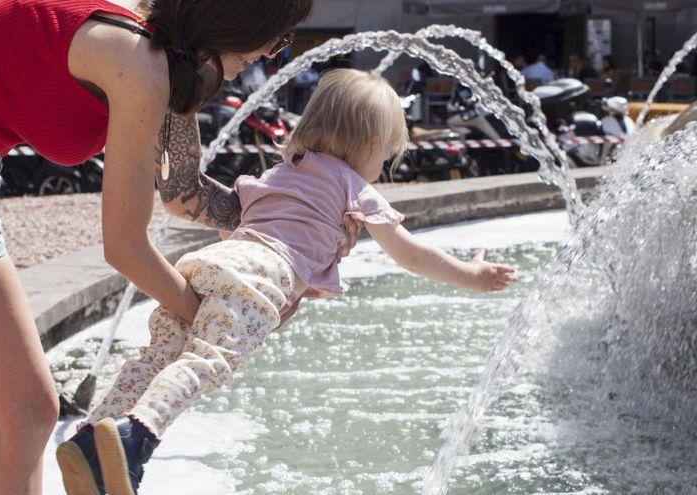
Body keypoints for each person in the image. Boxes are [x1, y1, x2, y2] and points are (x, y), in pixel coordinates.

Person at [0, 0, 324, 493]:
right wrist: (216, 318)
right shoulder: (136, 57)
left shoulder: (163, 53)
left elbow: (184, 191)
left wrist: (285, 235)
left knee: (29, 411)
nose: (270, 54)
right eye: (275, 39)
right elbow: (124, 247)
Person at [57, 69, 518, 495]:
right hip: (261, 275)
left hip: (211, 262)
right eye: (387, 154)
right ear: (374, 143)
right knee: (206, 361)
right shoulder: (355, 186)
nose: (385, 164)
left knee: (159, 353)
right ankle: (135, 437)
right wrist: (470, 275)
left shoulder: (283, 171)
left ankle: (90, 436)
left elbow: (246, 228)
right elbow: (411, 255)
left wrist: (303, 271)